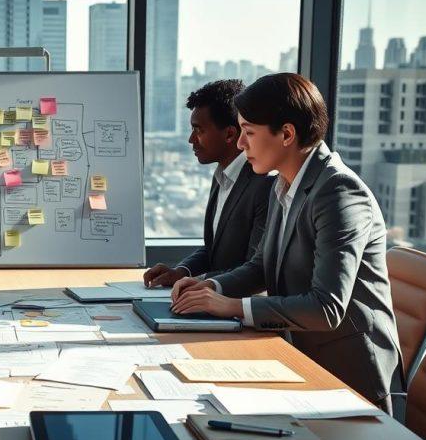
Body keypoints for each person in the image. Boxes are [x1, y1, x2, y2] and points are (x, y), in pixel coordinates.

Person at [171, 73, 402, 410]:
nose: (239, 144)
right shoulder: (286, 184)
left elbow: (327, 307)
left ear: (287, 134)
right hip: (297, 357)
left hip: (346, 380)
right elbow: (262, 266)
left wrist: (234, 307)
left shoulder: (338, 193)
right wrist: (212, 289)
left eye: (249, 133)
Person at [144, 79, 273, 287]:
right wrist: (181, 271)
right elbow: (214, 249)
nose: (191, 140)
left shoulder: (265, 185)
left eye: (199, 130)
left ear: (230, 134)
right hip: (212, 303)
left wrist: (198, 282)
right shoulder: (222, 174)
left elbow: (255, 269)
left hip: (238, 309)